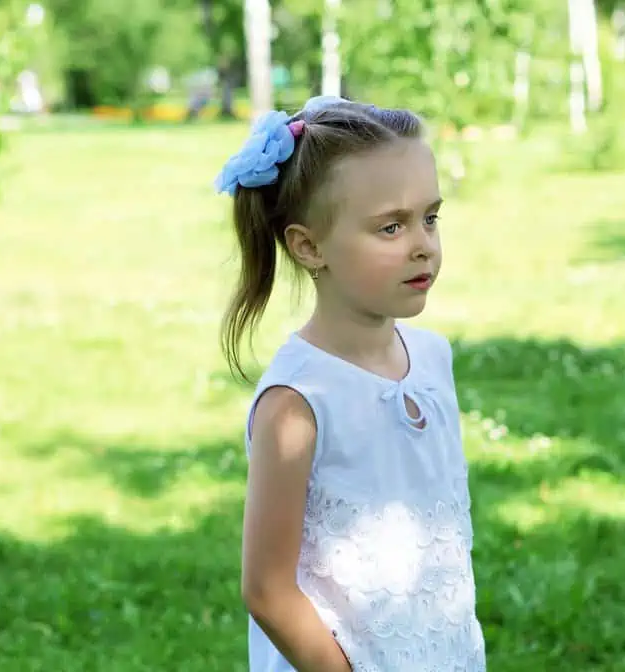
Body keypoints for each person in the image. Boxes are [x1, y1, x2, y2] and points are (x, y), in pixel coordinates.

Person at [213, 96, 486, 672]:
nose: (422, 245)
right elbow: (267, 590)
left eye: (430, 218)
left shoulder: (432, 358)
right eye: (390, 226)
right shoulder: (297, 403)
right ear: (309, 246)